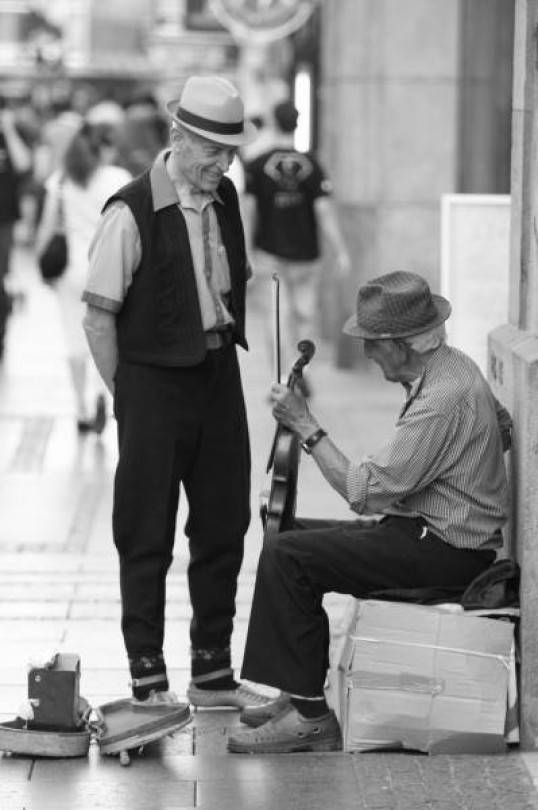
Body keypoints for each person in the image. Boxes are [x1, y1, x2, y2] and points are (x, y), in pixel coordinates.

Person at [227, 270, 510, 754]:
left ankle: (312, 718)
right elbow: (502, 426)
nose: (366, 353)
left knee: (290, 556)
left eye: (372, 343)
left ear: (402, 344)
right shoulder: (452, 368)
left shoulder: (442, 396)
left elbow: (363, 491)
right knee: (288, 539)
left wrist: (306, 425)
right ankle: (298, 693)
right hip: (430, 532)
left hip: (448, 550)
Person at [82, 75, 272, 712]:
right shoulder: (129, 211)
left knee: (224, 522)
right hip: (152, 384)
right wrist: (125, 393)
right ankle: (147, 679)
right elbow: (98, 316)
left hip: (217, 374)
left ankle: (213, 675)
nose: (223, 164)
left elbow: (230, 281)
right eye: (212, 151)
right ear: (177, 137)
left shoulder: (225, 201)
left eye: (230, 153)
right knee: (145, 531)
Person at [243, 99, 351, 391]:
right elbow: (323, 211)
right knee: (305, 317)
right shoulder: (313, 165)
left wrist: (246, 251)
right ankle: (301, 373)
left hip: (269, 254)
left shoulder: (255, 165)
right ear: (297, 123)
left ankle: (280, 380)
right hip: (306, 255)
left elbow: (249, 212)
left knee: (276, 316)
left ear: (274, 122)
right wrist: (339, 250)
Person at [36, 121, 132, 433]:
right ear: (104, 146)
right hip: (107, 270)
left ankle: (80, 408)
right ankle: (107, 395)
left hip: (70, 271)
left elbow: (47, 225)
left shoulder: (62, 179)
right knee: (109, 334)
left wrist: (42, 264)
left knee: (73, 339)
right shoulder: (117, 178)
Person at [0, 97, 32, 357]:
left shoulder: (11, 136)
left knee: (1, 276)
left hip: (4, 220)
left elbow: (23, 164)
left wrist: (8, 130)